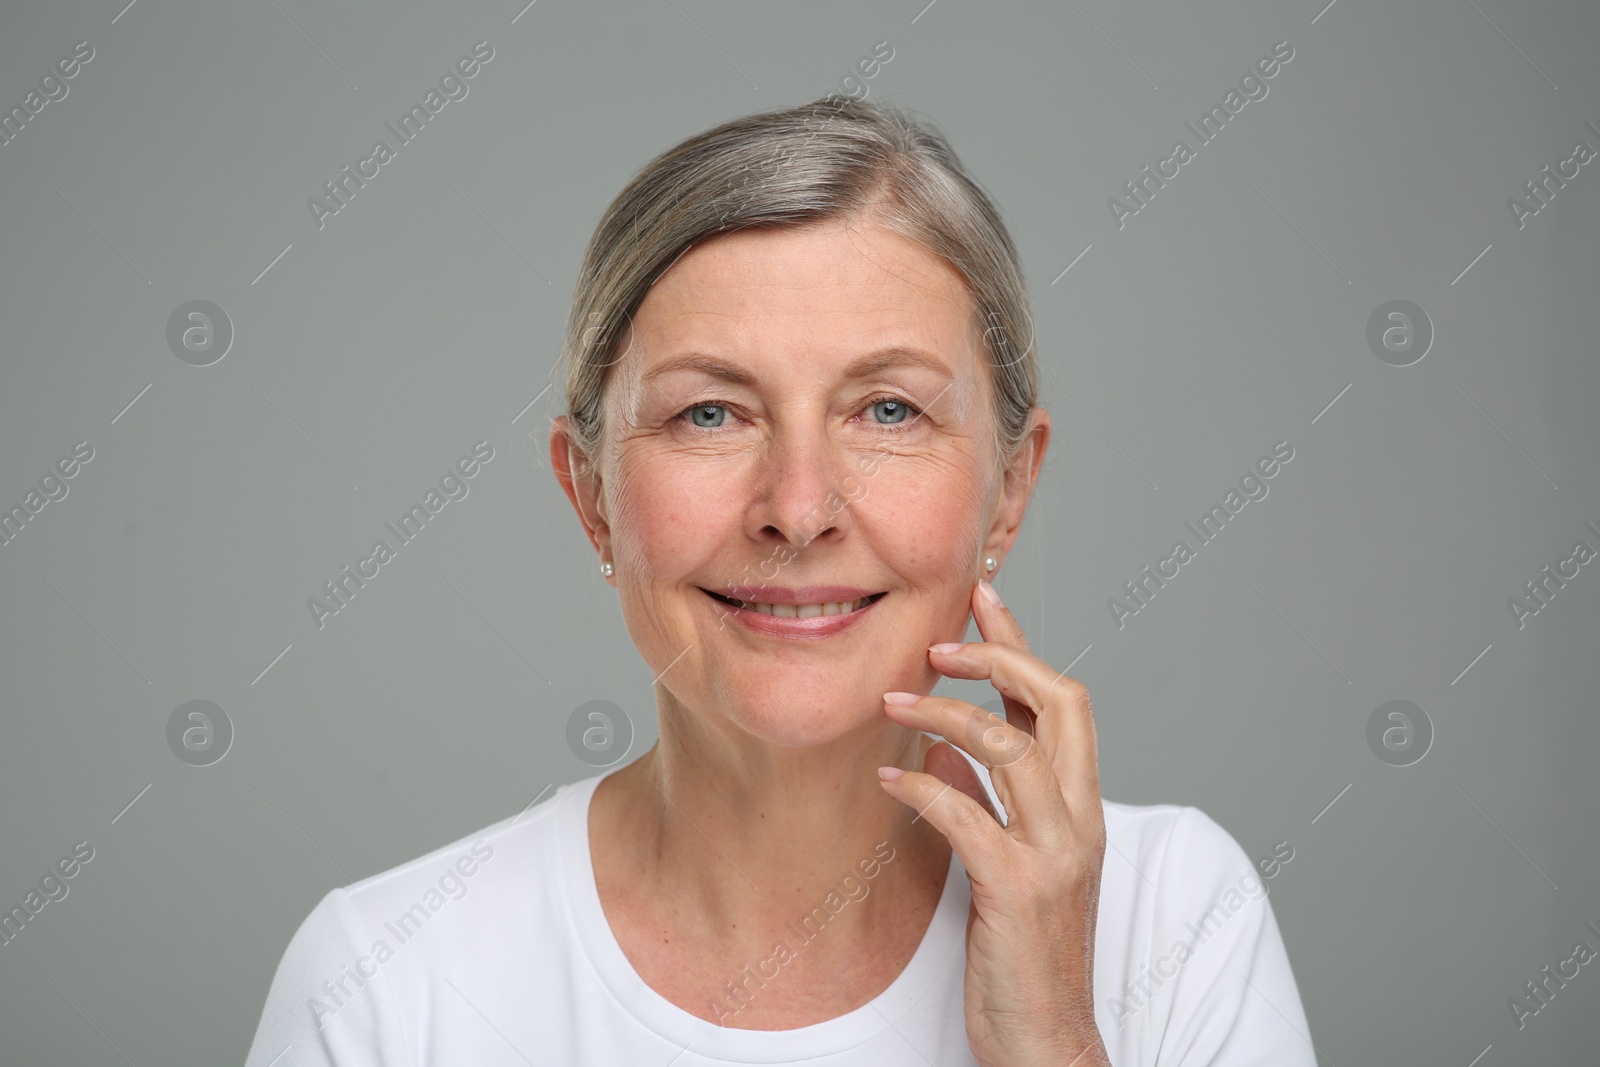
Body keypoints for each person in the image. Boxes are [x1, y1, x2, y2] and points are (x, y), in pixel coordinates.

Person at [244, 95, 1315, 1066]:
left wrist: (1052, 1043)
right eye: (710, 411)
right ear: (591, 496)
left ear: (1008, 490)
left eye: (887, 410)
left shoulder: (1174, 914)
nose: (798, 508)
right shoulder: (387, 979)